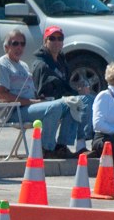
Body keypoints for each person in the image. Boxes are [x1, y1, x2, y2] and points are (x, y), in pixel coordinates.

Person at [0, 28, 80, 159]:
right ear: (6, 46)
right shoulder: (1, 65)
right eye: (15, 43)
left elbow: (31, 92)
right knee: (55, 107)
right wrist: (32, 102)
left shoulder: (24, 66)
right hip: (12, 112)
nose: (19, 47)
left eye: (22, 44)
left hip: (29, 107)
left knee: (72, 104)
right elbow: (3, 96)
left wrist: (39, 99)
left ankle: (61, 147)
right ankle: (46, 149)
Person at [30, 25, 94, 153]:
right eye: (52, 38)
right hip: (47, 103)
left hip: (61, 100)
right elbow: (41, 91)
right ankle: (60, 146)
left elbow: (65, 86)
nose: (57, 42)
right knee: (79, 102)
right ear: (45, 41)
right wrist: (71, 96)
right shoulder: (41, 64)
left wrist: (78, 91)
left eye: (60, 38)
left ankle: (71, 145)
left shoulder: (61, 60)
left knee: (86, 99)